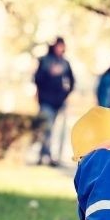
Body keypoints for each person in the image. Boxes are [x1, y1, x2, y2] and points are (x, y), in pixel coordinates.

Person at [34, 37, 75, 166]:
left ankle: (54, 157)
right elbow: (37, 79)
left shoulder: (65, 63)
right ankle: (43, 155)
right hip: (46, 100)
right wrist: (49, 73)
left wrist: (65, 93)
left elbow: (72, 81)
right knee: (46, 129)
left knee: (58, 130)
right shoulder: (44, 61)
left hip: (60, 101)